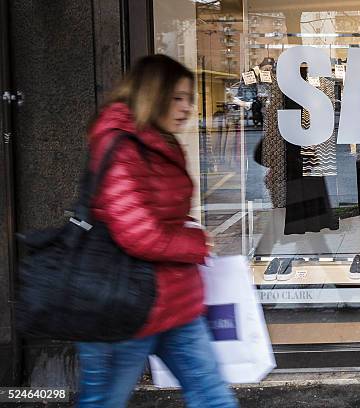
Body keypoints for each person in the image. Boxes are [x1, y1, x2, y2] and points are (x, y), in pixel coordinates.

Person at [77, 54, 238, 408]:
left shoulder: (160, 141)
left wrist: (189, 230)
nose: (186, 108)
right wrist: (195, 242)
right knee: (102, 402)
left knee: (213, 397)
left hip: (174, 302)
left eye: (189, 99)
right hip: (123, 308)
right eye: (177, 97)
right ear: (153, 93)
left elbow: (159, 217)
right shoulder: (120, 144)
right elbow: (137, 233)